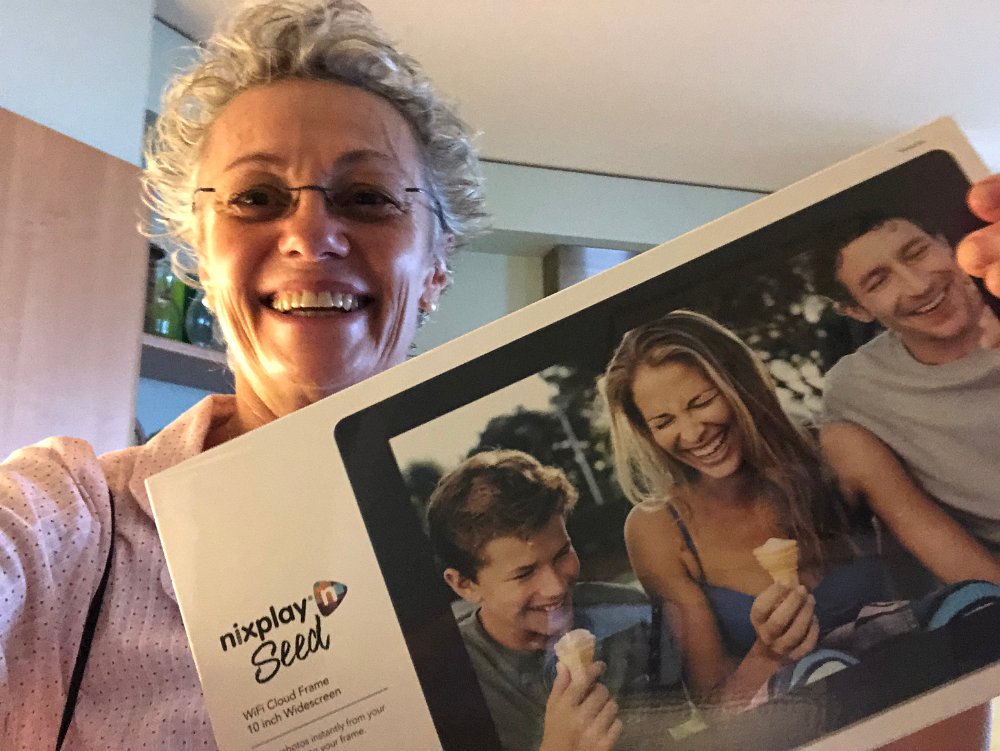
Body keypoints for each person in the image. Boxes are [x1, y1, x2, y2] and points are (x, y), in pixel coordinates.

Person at [0, 1, 486, 747]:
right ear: (199, 259)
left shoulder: (503, 534)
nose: (310, 236)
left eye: (367, 198)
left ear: (435, 267)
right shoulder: (73, 523)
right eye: (255, 198)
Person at [601, 309, 890, 713]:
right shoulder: (658, 530)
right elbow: (716, 709)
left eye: (702, 401)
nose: (692, 433)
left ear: (740, 384)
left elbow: (957, 571)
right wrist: (769, 653)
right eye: (664, 422)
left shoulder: (837, 453)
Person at [426, 449, 686, 751]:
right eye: (524, 573)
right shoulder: (447, 683)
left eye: (562, 554)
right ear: (465, 585)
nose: (556, 588)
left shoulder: (631, 615)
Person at [809, 212, 1000, 586]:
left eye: (916, 253)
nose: (919, 285)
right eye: (879, 281)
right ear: (856, 310)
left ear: (943, 242)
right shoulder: (856, 390)